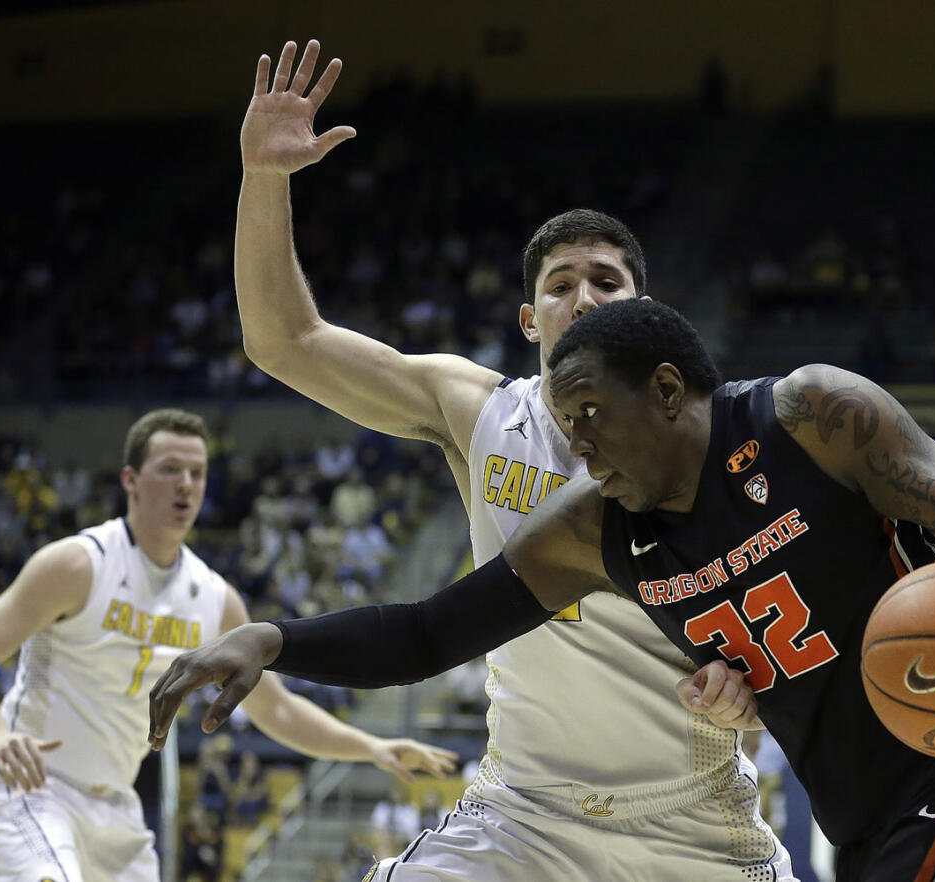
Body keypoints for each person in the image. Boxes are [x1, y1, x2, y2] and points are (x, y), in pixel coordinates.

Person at [151, 300, 935, 881]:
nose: (580, 443)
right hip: (872, 827)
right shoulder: (601, 531)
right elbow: (428, 634)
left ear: (669, 389)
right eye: (565, 423)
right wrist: (272, 639)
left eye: (591, 414)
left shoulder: (810, 417)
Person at [218, 38, 795, 881]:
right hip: (522, 812)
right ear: (531, 321)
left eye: (606, 282)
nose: (583, 298)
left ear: (644, 311)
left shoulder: (715, 442)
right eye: (560, 284)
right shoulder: (477, 410)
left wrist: (751, 690)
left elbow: (787, 638)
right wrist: (264, 179)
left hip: (689, 820)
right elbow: (284, 340)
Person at [0, 408, 455, 882]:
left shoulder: (214, 599)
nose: (186, 484)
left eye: (197, 472)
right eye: (169, 469)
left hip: (114, 809)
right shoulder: (79, 564)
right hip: (33, 785)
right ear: (130, 481)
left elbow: (277, 711)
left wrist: (372, 747)